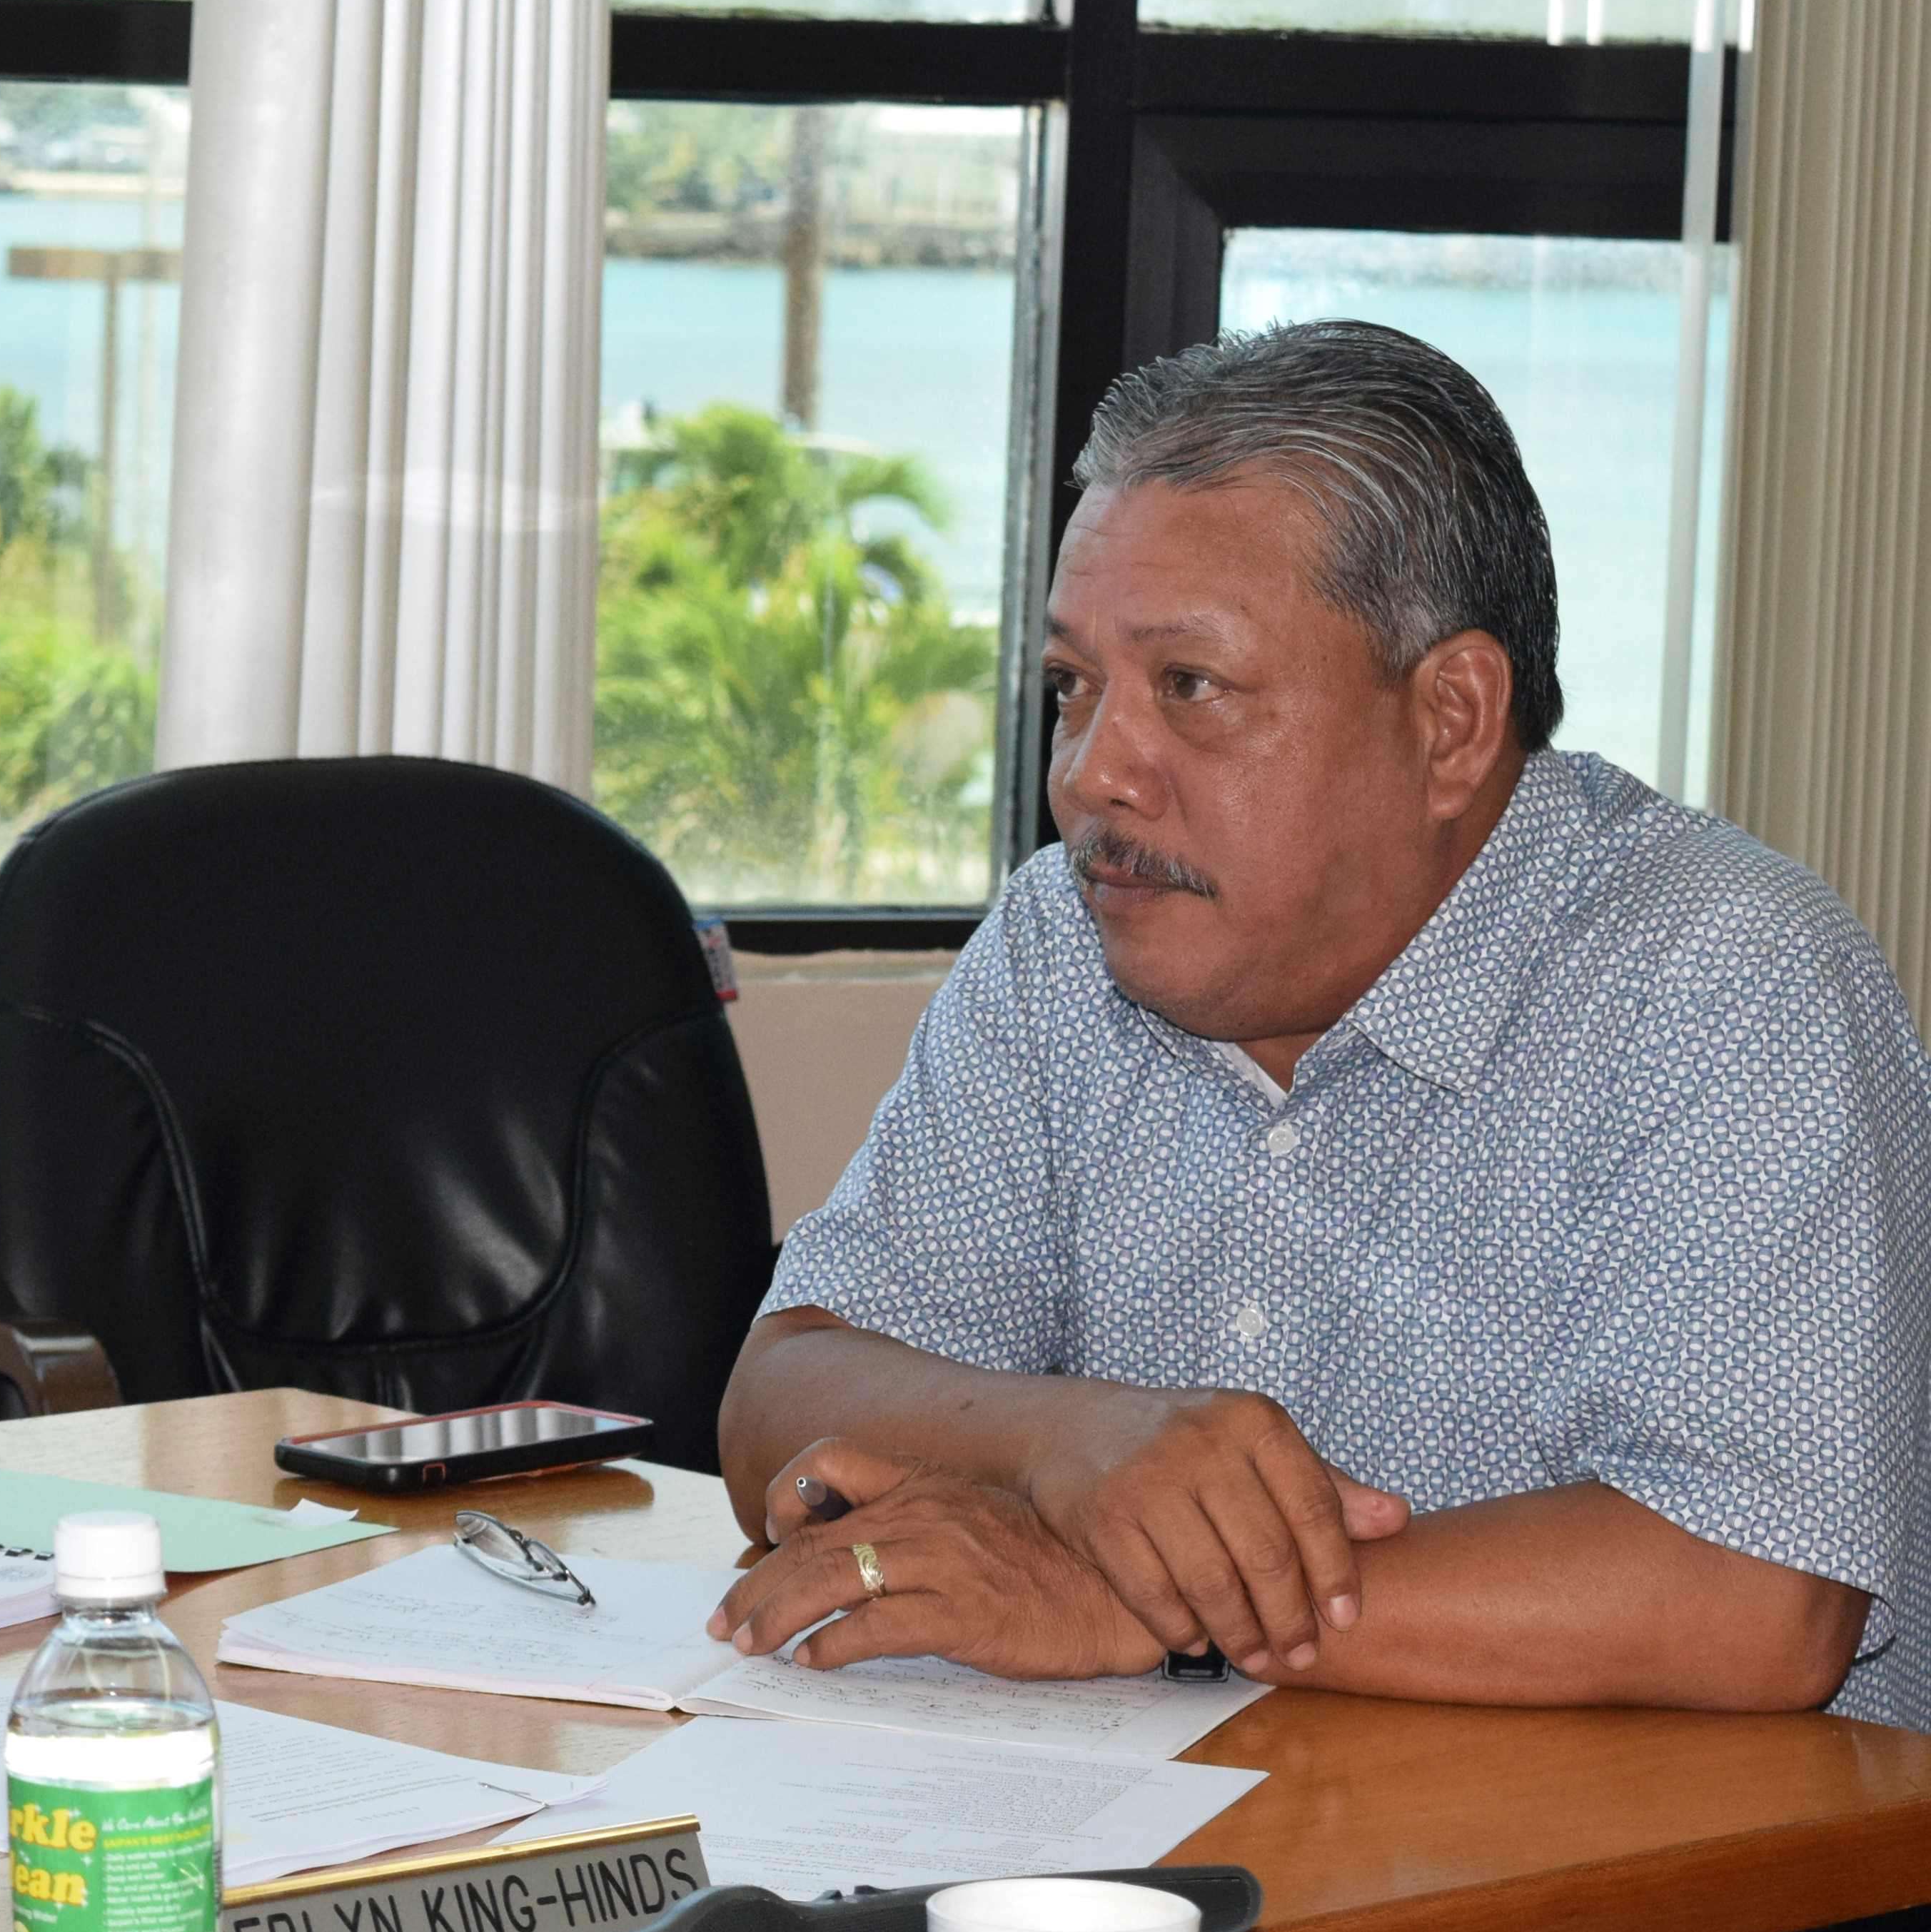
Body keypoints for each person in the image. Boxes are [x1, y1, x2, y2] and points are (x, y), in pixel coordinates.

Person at [707, 320, 1927, 1724]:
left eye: (1188, 688)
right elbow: (782, 1394)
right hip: (1178, 1877)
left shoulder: (1718, 974)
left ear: (1452, 721)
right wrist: (1077, 1443)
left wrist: (1147, 1605)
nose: (1091, 773)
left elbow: (1755, 1601)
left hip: (1623, 1920)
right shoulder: (1061, 940)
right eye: (1071, 686)